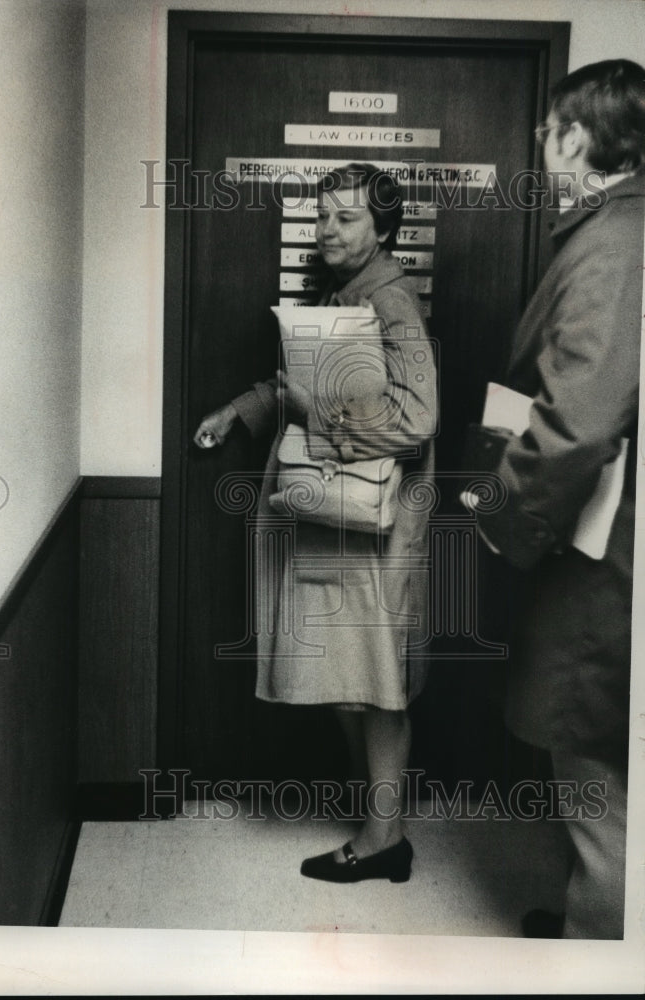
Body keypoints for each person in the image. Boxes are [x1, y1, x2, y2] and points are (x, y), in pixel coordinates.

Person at [194, 164, 437, 882]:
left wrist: (313, 415)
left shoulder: (391, 302)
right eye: (322, 217)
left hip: (374, 521)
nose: (327, 231)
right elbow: (307, 379)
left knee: (373, 682)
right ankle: (378, 816)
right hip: (342, 513)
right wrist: (243, 411)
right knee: (351, 676)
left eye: (346, 219)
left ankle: (383, 835)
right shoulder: (351, 290)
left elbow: (418, 421)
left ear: (384, 228)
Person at [465, 59, 645, 939]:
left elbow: (579, 423)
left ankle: (594, 953)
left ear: (577, 137)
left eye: (547, 131)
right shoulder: (617, 230)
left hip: (601, 558)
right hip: (604, 549)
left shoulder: (614, 245)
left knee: (598, 787)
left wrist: (503, 520)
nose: (540, 146)